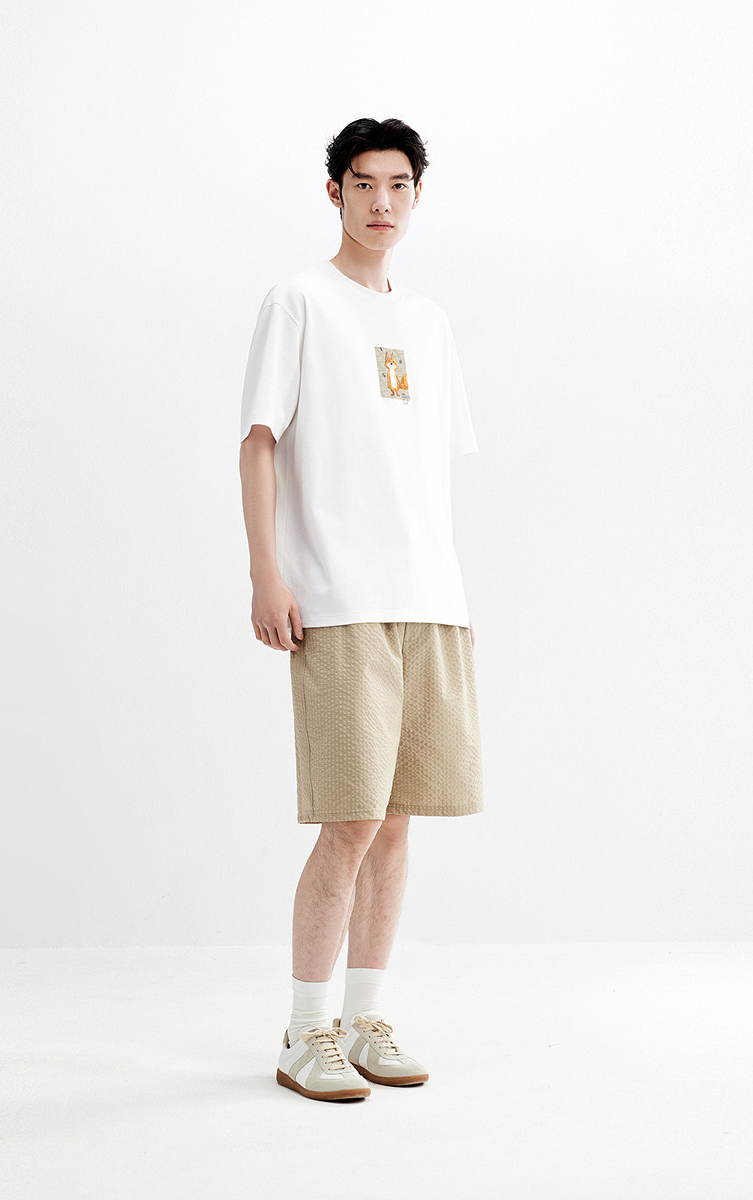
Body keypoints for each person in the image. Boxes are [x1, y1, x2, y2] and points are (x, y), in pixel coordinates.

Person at [238, 116, 484, 1103]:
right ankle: (305, 1031)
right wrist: (266, 573)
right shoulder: (299, 301)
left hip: (429, 600)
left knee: (397, 824)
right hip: (337, 601)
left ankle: (364, 1017)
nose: (382, 202)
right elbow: (259, 441)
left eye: (399, 185)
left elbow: (424, 473)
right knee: (350, 820)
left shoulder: (429, 323)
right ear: (334, 191)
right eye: (364, 184)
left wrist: (453, 595)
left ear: (417, 195)